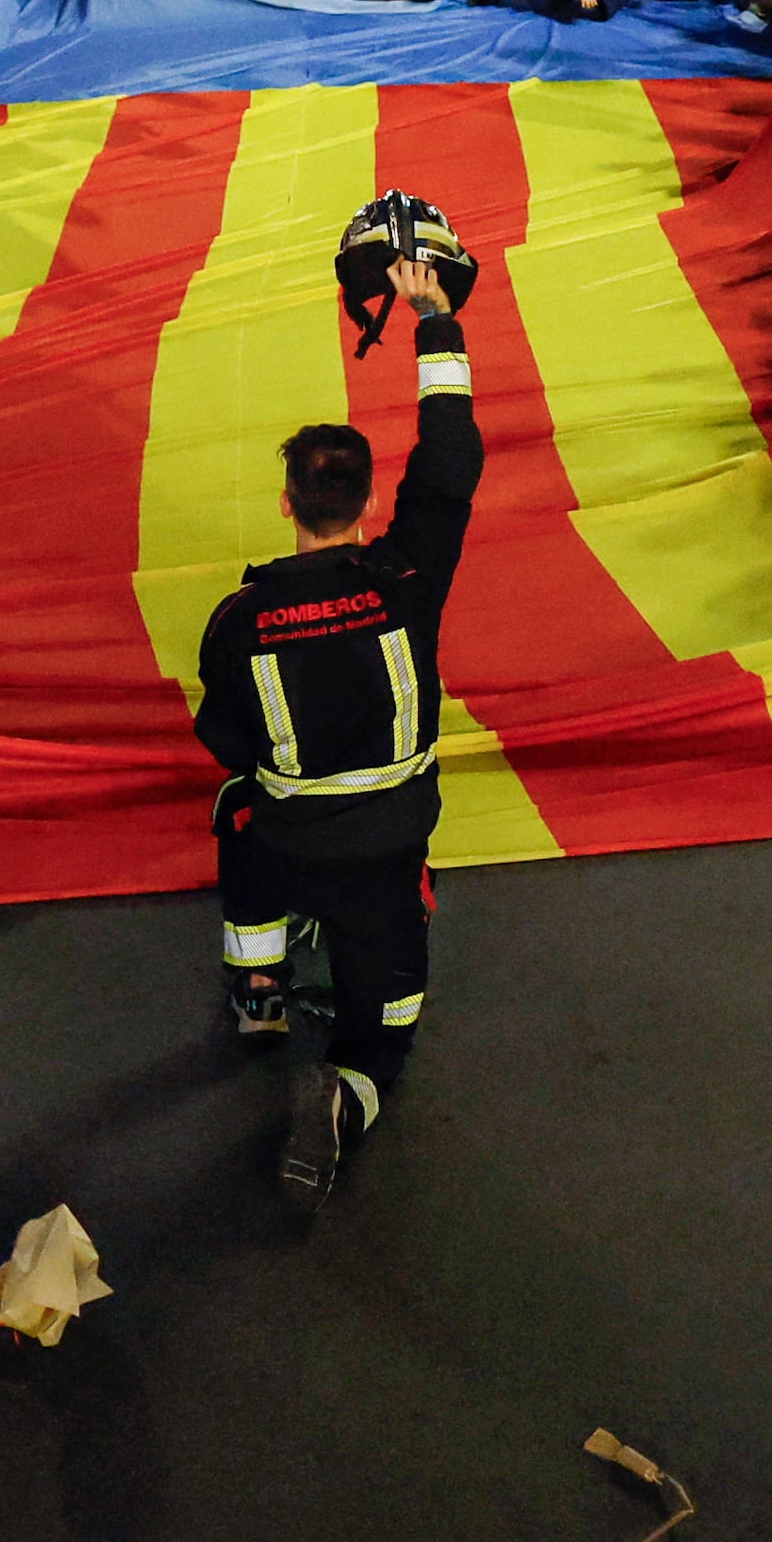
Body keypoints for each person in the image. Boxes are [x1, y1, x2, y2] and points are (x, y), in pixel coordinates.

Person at [190, 247, 478, 1204]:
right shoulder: (407, 580)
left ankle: (260, 994)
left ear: (286, 506)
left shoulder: (241, 621)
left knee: (238, 805)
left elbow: (225, 742)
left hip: (289, 839)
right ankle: (345, 1099)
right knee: (384, 1035)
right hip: (392, 858)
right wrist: (433, 318)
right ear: (365, 507)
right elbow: (450, 464)